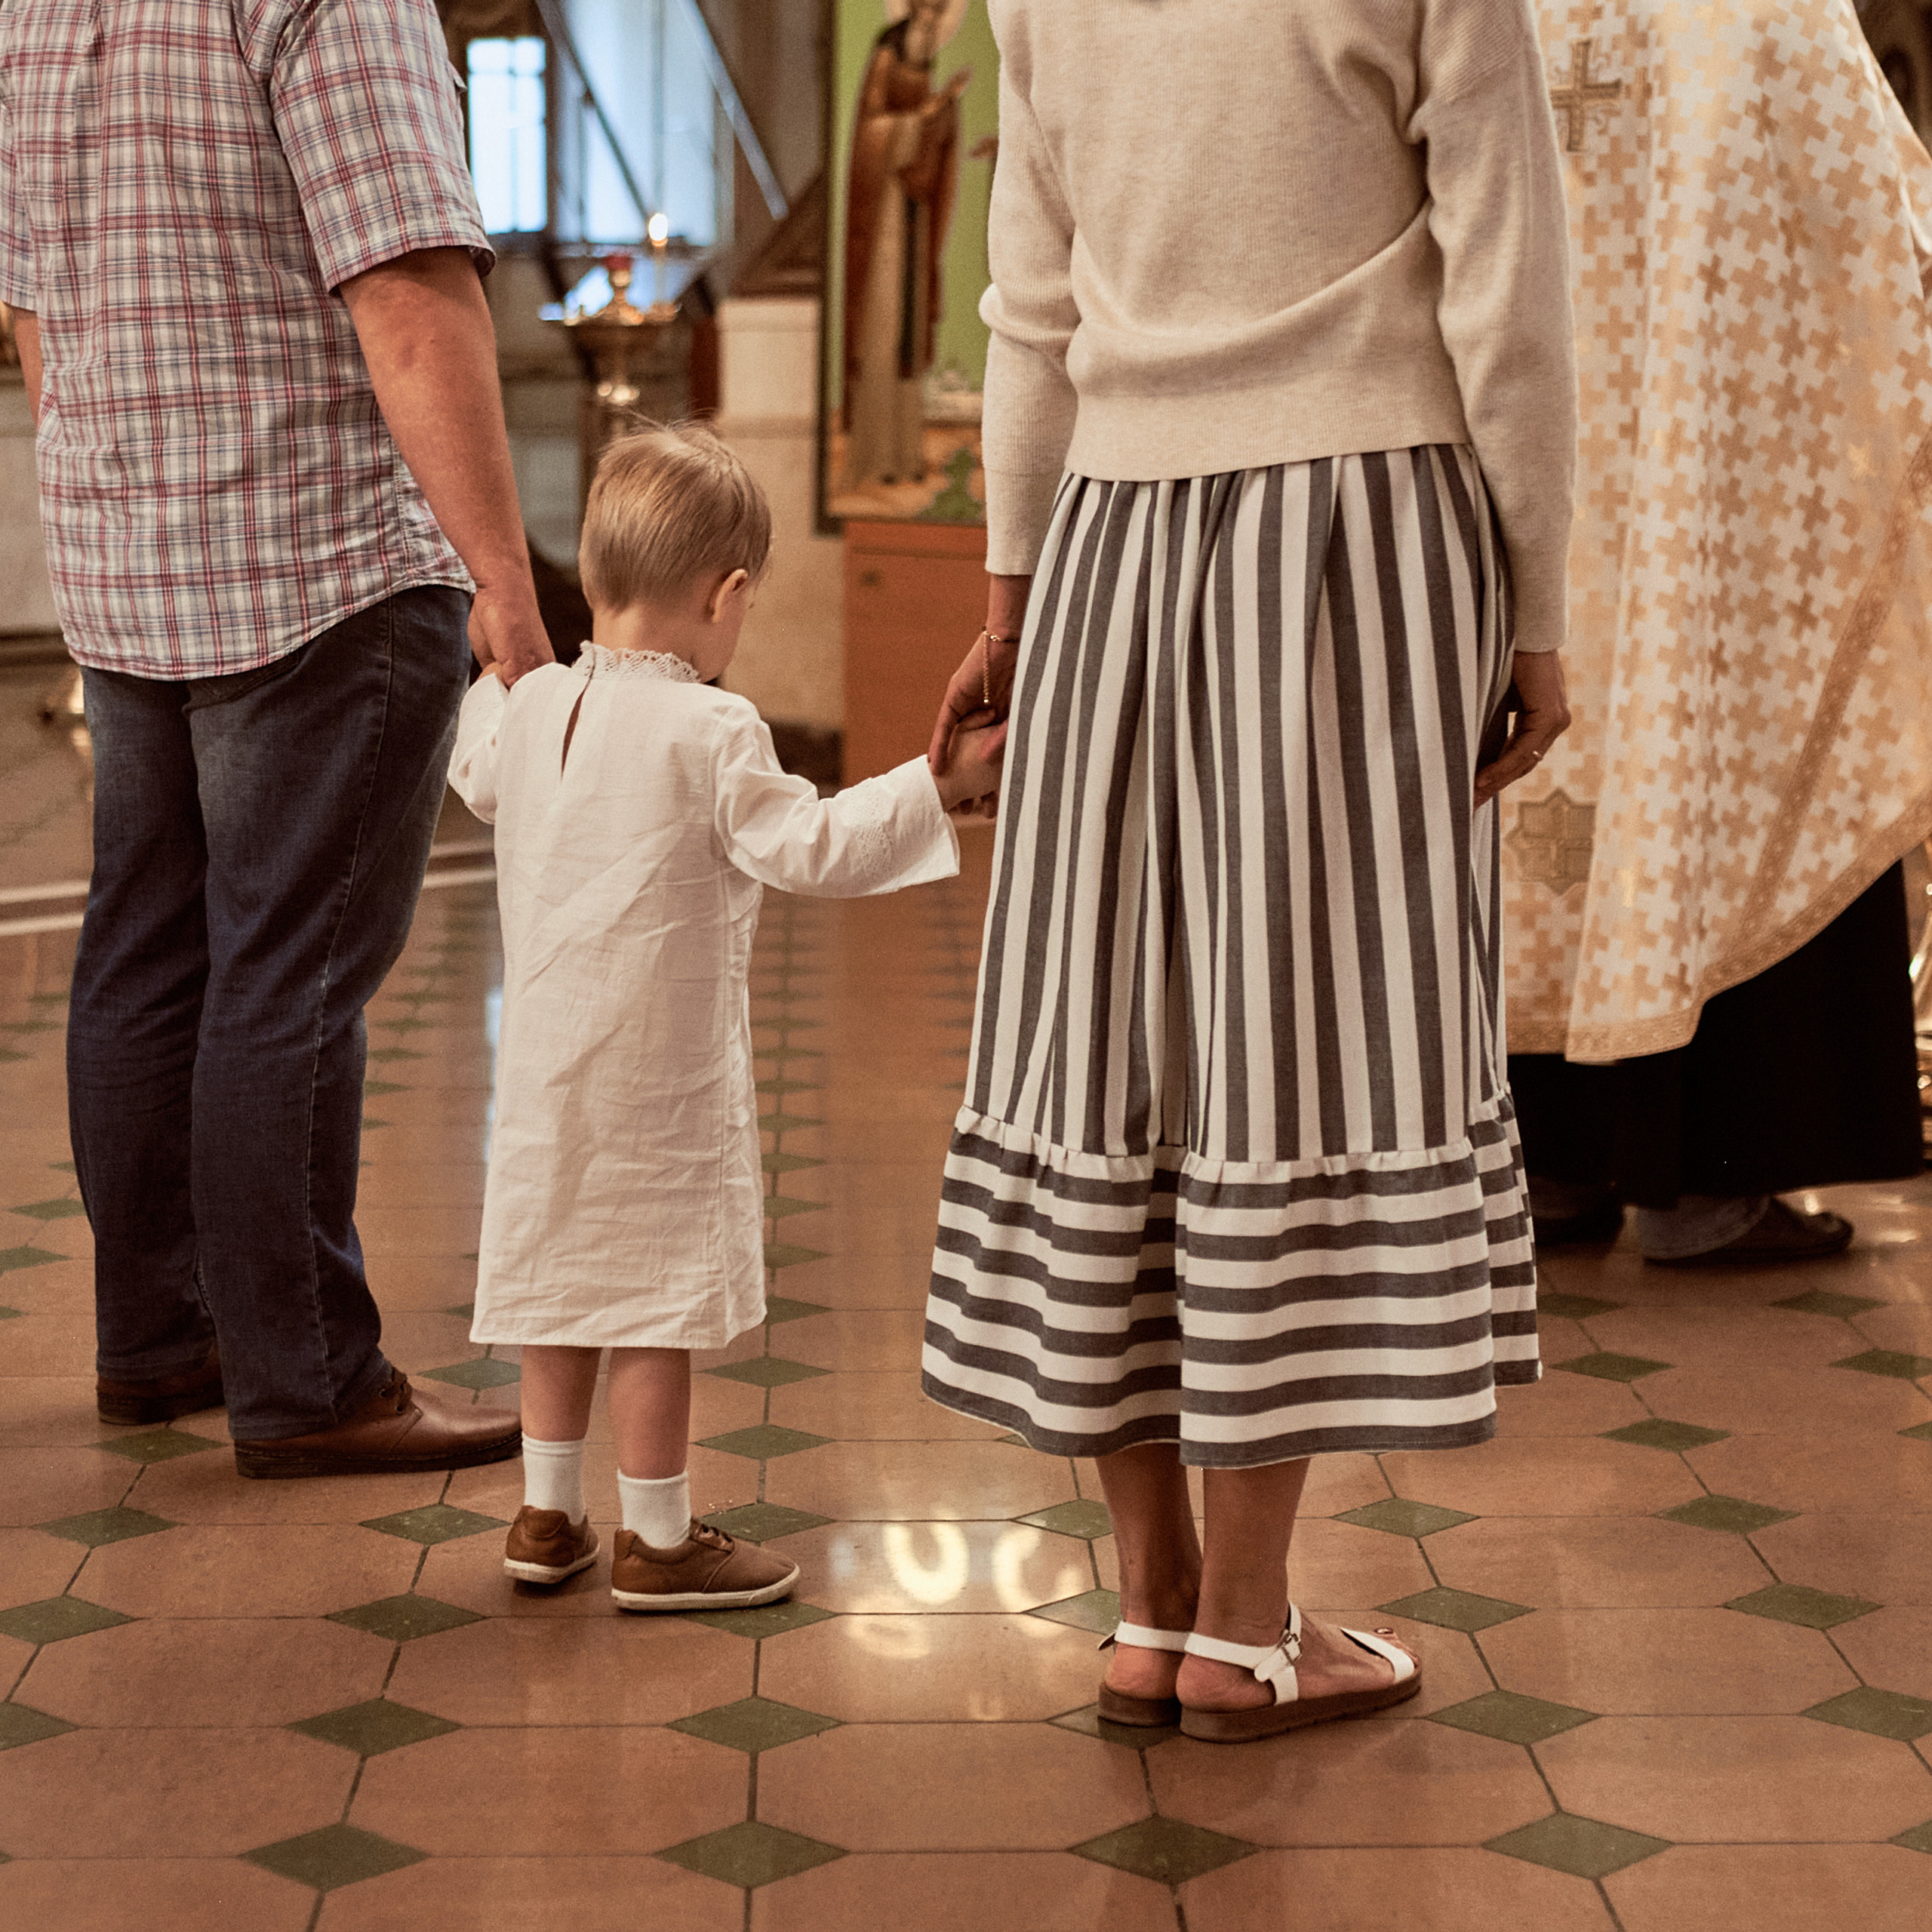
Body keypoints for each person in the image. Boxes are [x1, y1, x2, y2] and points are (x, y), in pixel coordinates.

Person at [921, 0, 1576, 1742]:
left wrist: (1009, 593)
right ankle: (1244, 1625)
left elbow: (1028, 298)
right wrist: (1537, 608)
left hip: (1107, 535)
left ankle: (1147, 1603)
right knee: (1296, 1053)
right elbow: (1507, 284)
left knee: (1113, 1050)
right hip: (1365, 527)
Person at [0, 0, 551, 1473]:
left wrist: (124, 497)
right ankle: (307, 1378)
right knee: (288, 976)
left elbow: (33, 308)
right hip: (317, 563)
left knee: (144, 953)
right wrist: (505, 581)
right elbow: (408, 291)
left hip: (126, 565)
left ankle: (160, 1337)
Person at [448, 425, 1003, 1607]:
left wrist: (493, 672)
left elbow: (477, 764)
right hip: (660, 1081)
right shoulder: (712, 730)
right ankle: (658, 1538)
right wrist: (939, 786)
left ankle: (546, 1516)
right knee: (653, 1303)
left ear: (593, 572)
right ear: (727, 593)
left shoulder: (534, 707)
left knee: (558, 1283)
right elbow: (811, 845)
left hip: (543, 1078)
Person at [1506, 0, 1932, 1263]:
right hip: (1716, 488)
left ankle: (1549, 1160)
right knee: (1717, 758)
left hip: (1535, 469)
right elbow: (1870, 211)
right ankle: (1707, 1182)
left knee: (1536, 790)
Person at [840, 0, 970, 489]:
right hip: (882, 222)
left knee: (907, 338)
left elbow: (933, 143)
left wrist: (944, 113)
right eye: (928, 13)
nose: (933, 25)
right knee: (881, 332)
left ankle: (904, 455)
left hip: (913, 218)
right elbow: (872, 132)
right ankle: (876, 457)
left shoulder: (924, 68)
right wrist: (926, 116)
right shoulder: (885, 59)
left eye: (940, 16)